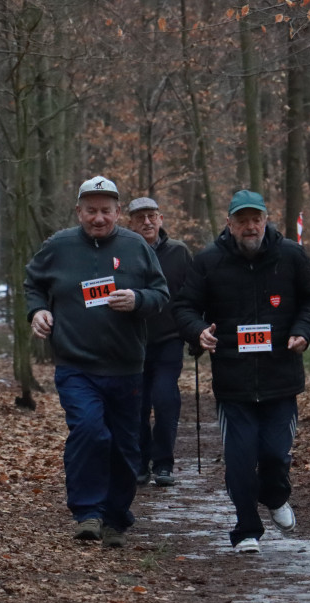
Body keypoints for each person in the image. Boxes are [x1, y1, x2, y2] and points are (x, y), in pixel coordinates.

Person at [173, 190, 310, 554]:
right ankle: (246, 529)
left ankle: (275, 496)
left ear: (266, 220)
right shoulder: (209, 261)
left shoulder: (290, 255)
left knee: (274, 455)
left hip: (280, 378)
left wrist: (302, 331)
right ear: (229, 223)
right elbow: (183, 307)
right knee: (240, 460)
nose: (250, 226)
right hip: (233, 382)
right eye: (242, 220)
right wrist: (199, 331)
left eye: (255, 219)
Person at [25, 176, 169, 548]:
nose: (99, 218)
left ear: (118, 212)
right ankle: (87, 512)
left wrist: (138, 299)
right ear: (79, 212)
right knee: (90, 430)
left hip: (126, 367)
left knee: (125, 446)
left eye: (106, 211)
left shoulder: (136, 246)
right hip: (76, 364)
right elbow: (33, 283)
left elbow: (161, 294)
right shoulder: (59, 246)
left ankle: (115, 518)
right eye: (91, 211)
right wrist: (37, 311)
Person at [126, 197, 193, 487]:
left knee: (165, 399)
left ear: (161, 219)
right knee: (136, 404)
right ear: (129, 222)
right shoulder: (121, 252)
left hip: (169, 340)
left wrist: (196, 333)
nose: (147, 222)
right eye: (140, 217)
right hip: (131, 342)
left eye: (152, 216)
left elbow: (192, 295)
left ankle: (163, 463)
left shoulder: (179, 252)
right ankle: (140, 463)